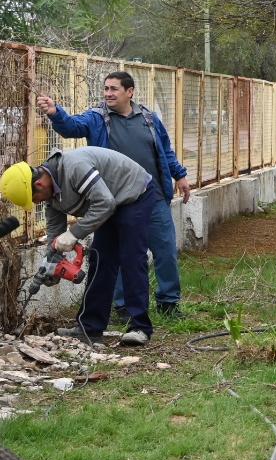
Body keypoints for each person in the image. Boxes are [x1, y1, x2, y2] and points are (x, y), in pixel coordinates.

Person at [37, 72, 191, 325]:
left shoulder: (148, 118)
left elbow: (164, 149)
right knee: (118, 253)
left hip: (152, 195)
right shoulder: (97, 118)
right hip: (112, 200)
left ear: (130, 92)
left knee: (165, 250)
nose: (108, 93)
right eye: (106, 88)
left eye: (114, 89)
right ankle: (124, 306)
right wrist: (56, 113)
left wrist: (179, 175)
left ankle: (168, 302)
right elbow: (72, 127)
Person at [0, 147, 160, 345]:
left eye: (34, 198)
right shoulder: (50, 194)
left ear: (39, 184)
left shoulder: (74, 168)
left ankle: (140, 328)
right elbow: (55, 232)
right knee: (100, 261)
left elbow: (105, 204)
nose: (37, 202)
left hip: (133, 194)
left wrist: (74, 233)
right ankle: (90, 328)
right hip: (108, 202)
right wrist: (52, 262)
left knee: (131, 258)